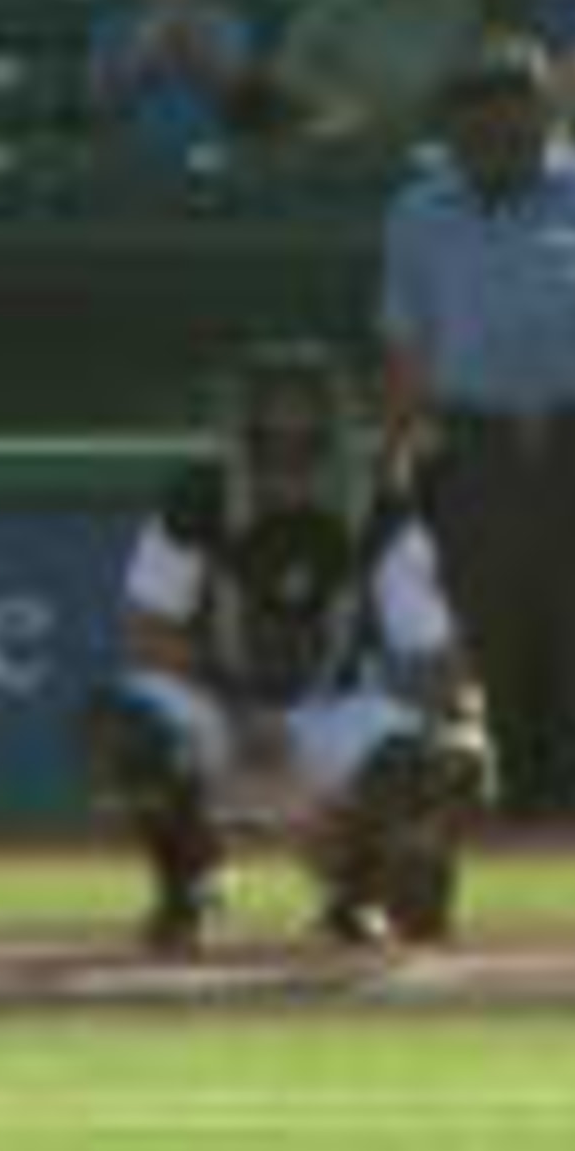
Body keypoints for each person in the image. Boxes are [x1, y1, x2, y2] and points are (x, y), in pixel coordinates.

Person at [379, 38, 575, 909]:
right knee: (452, 676)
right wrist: (391, 465)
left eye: (507, 125)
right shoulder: (418, 211)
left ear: (544, 119)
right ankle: (420, 888)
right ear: (450, 130)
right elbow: (406, 347)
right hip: (471, 462)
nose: (489, 146)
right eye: (471, 129)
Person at [84, 342, 494, 956]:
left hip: (329, 712)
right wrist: (238, 706)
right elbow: (147, 631)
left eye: (304, 430)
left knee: (434, 767)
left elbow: (433, 650)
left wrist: (464, 731)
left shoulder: (379, 511)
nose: (288, 448)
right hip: (216, 710)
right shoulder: (197, 499)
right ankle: (190, 883)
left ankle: (355, 893)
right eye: (273, 430)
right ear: (243, 432)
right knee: (122, 727)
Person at [266, 0, 488, 141]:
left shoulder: (457, 1)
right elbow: (289, 67)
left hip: (429, 140)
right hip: (347, 142)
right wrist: (342, 109)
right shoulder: (339, 0)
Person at [89, 0, 261, 165]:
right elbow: (104, 98)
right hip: (138, 148)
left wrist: (192, 46)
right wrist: (144, 51)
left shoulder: (225, 23)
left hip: (212, 145)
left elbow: (240, 95)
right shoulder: (114, 28)